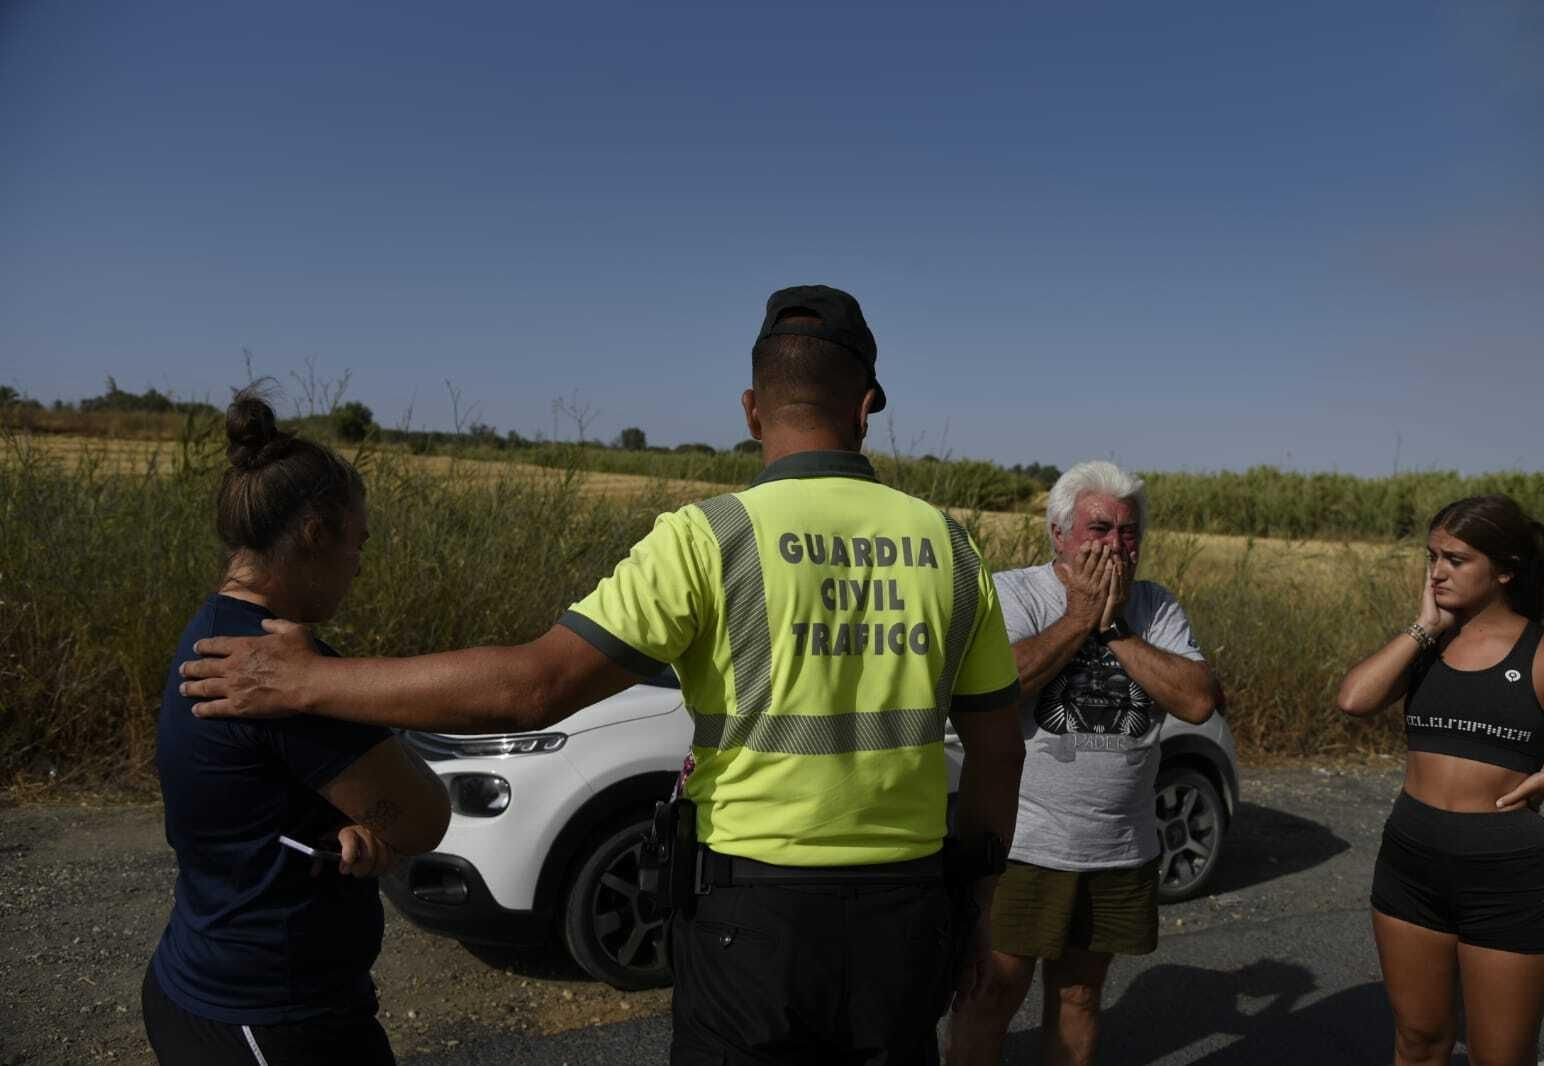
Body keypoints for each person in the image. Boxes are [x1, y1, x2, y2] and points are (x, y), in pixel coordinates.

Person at [175, 285, 1027, 1066]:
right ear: (868, 406)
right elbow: (996, 751)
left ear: (750, 409)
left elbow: (533, 685)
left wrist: (308, 681)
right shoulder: (949, 548)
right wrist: (978, 908)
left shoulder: (710, 537)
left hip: (752, 928)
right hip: (906, 920)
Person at [142, 392, 450, 1066]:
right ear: (316, 534)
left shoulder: (215, 631)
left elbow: (261, 799)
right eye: (356, 541)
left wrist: (355, 830)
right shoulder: (279, 675)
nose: (360, 564)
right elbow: (426, 819)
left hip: (208, 982)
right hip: (268, 1020)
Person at [946, 460, 1218, 1066]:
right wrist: (1077, 617)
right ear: (1058, 533)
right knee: (990, 992)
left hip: (1118, 847)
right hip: (1022, 844)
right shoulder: (1015, 592)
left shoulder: (1152, 606)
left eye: (1128, 533)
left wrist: (1114, 623)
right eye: (1099, 530)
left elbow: (1198, 699)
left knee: (1080, 996)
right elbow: (996, 686)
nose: (1116, 547)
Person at [1337, 495, 1544, 1066]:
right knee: (1418, 1042)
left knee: (1498, 1057)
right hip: (1408, 864)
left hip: (1505, 879)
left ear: (1505, 569)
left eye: (1456, 559)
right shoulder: (1427, 646)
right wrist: (1423, 627)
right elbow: (1354, 699)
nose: (1436, 572)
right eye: (1431, 557)